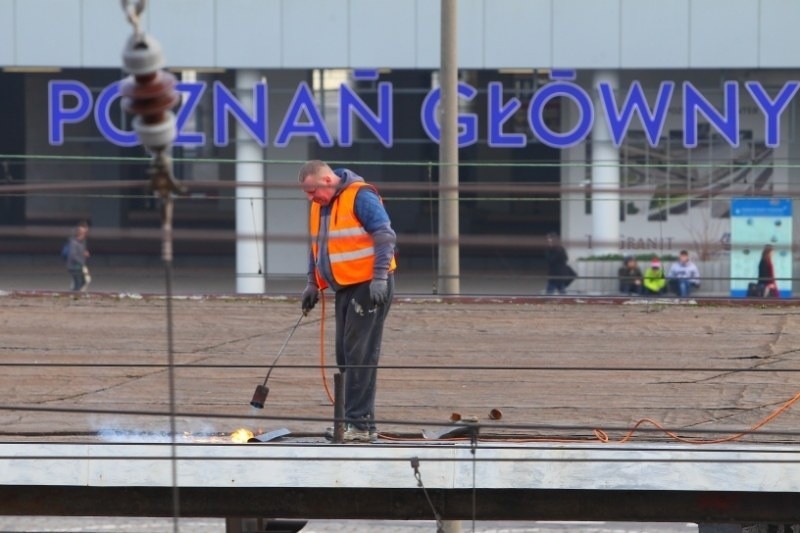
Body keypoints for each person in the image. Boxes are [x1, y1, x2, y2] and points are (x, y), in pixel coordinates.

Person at [298, 160, 396, 443]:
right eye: (306, 193)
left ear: (328, 180)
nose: (310, 198)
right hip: (344, 286)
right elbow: (317, 247)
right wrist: (312, 283)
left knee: (359, 355)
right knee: (346, 354)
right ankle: (356, 422)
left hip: (369, 286)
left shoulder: (360, 196)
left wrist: (379, 277)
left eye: (312, 191)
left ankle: (360, 426)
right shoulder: (320, 206)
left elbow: (385, 236)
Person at [64, 220, 90, 291]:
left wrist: (84, 253)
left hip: (79, 265)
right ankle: (73, 295)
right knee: (78, 282)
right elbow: (73, 255)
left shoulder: (82, 241)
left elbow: (80, 250)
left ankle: (73, 294)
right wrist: (81, 260)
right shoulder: (74, 241)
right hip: (74, 265)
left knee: (82, 281)